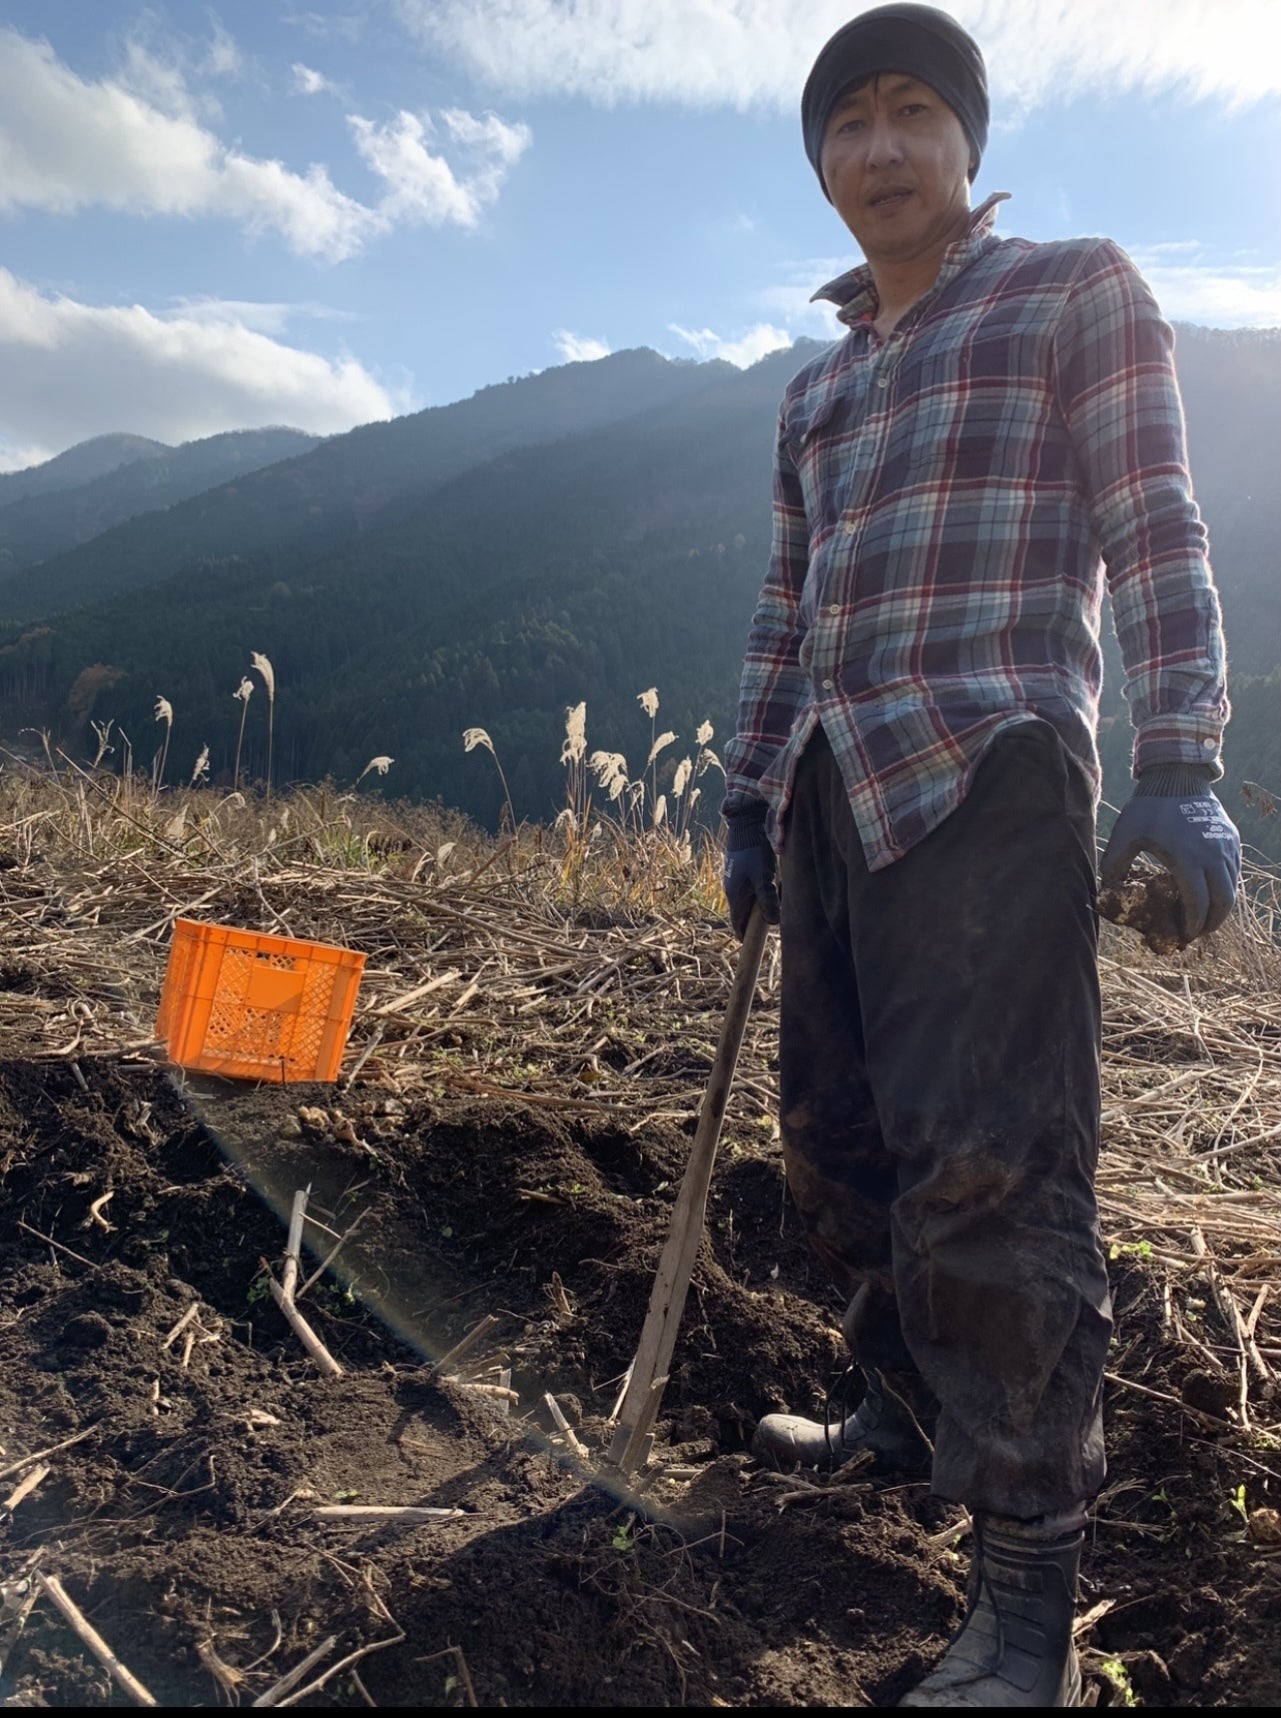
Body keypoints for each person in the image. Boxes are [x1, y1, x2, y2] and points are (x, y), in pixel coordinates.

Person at [720, 4, 1241, 1707]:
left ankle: (1023, 1603)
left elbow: (1152, 519)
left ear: (966, 142)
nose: (876, 148)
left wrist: (1179, 759)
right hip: (830, 790)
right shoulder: (817, 385)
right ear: (820, 164)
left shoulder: (1071, 291)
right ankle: (899, 1406)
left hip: (989, 776)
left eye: (909, 113)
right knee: (839, 1151)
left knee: (992, 1181)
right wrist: (745, 795)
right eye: (845, 124)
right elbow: (786, 613)